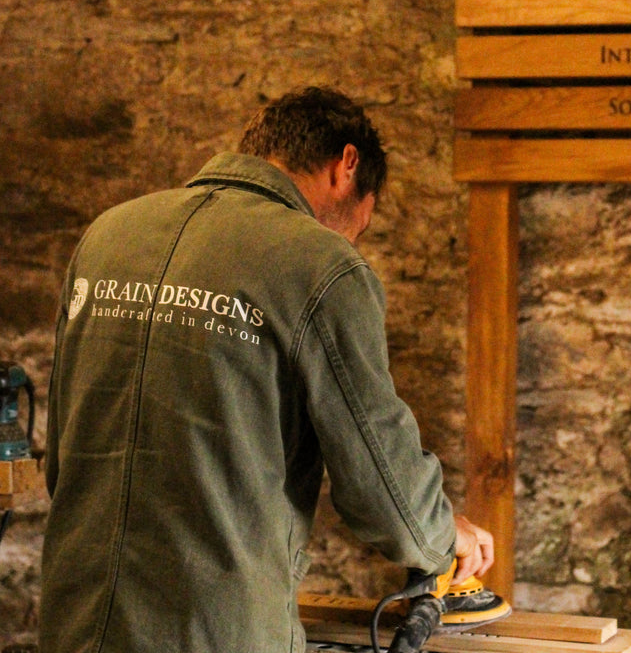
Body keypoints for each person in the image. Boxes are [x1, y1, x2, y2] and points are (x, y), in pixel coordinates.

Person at [40, 86, 494, 653]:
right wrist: (444, 534)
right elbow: (383, 489)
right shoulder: (321, 264)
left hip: (74, 622)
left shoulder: (106, 236)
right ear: (346, 165)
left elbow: (61, 458)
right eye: (364, 221)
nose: (353, 237)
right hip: (215, 633)